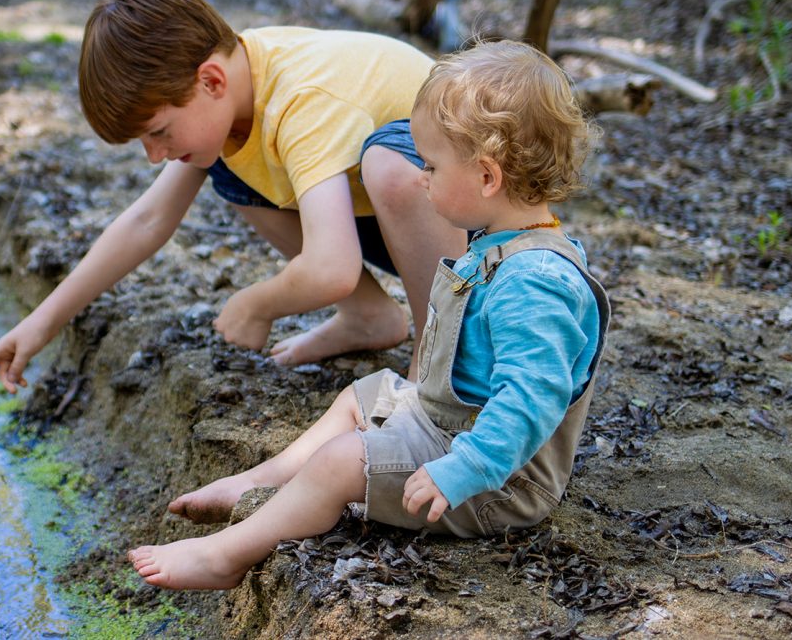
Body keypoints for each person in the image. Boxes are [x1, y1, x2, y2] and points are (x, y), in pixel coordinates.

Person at [127, 39, 610, 590]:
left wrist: (460, 472)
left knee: (339, 463)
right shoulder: (503, 241)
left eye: (430, 165)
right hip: (452, 427)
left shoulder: (535, 282)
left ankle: (226, 556)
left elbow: (532, 396)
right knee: (363, 396)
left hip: (497, 483)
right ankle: (259, 483)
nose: (421, 177)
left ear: (486, 177)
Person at [0, 0, 466, 395]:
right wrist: (42, 322)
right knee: (227, 163)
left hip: (484, 233)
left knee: (390, 167)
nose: (153, 156)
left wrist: (255, 304)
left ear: (209, 81)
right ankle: (368, 316)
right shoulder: (231, 94)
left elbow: (331, 268)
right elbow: (147, 220)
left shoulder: (300, 100)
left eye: (158, 133)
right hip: (399, 228)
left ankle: (436, 353)